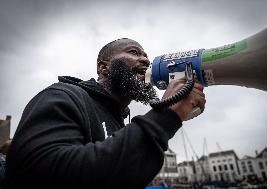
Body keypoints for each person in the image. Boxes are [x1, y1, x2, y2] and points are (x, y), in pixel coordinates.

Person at [6, 38, 206, 189]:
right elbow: (35, 173)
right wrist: (164, 118)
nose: (145, 59)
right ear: (104, 67)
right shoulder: (63, 95)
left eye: (146, 55)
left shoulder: (119, 122)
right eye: (134, 52)